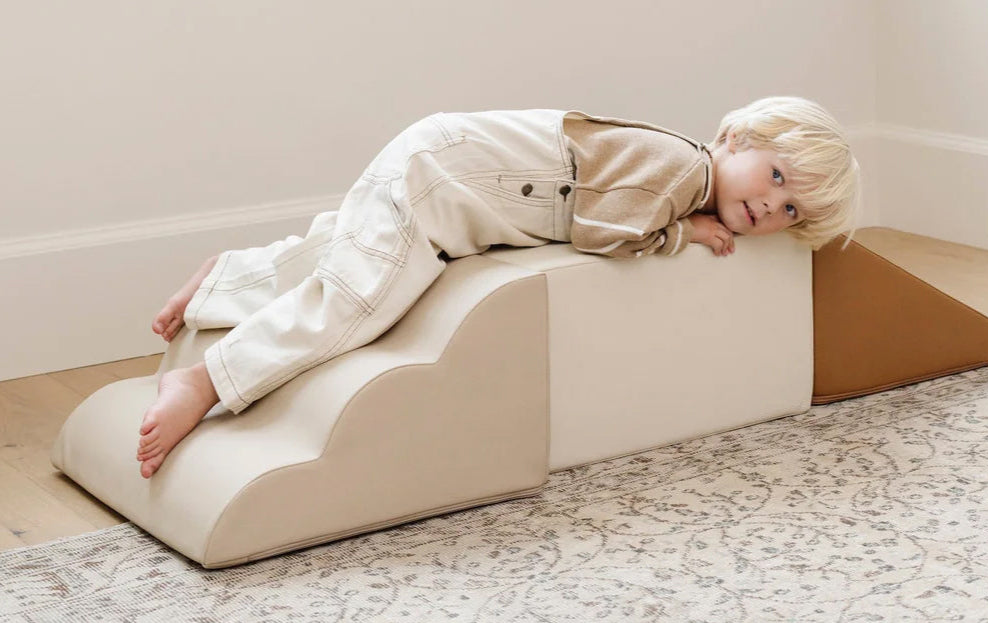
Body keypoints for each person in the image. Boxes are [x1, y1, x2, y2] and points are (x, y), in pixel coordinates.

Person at [137, 99, 861, 477]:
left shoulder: (675, 166)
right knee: (357, 302)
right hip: (441, 186)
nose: (772, 208)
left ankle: (233, 280)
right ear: (733, 139)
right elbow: (602, 232)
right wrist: (681, 235)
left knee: (341, 251)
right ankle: (207, 381)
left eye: (791, 210)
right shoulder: (679, 171)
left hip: (437, 158)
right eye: (774, 178)